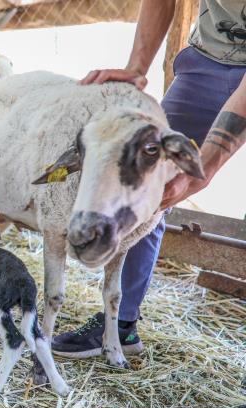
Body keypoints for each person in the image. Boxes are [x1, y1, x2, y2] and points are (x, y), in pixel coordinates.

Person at [52, 0, 246, 358]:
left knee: (185, 177)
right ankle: (121, 324)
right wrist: (136, 68)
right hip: (207, 61)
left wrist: (202, 168)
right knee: (150, 181)